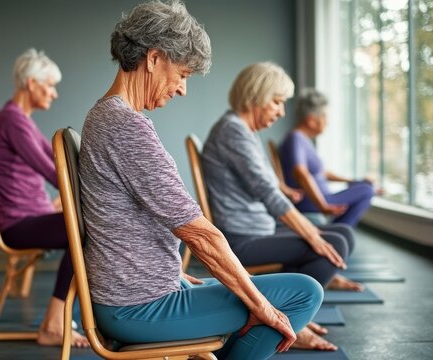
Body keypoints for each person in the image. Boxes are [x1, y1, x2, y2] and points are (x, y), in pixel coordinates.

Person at [78, 2, 322, 359]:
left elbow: (127, 223)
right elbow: (199, 234)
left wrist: (175, 274)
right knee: (304, 292)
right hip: (139, 308)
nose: (182, 89)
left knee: (262, 294)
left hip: (140, 293)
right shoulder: (125, 127)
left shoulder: (108, 116)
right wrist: (261, 306)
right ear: (154, 58)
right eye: (183, 74)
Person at [201, 62, 363, 351]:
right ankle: (289, 322)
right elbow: (269, 194)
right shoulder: (233, 131)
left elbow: (268, 186)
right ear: (256, 97)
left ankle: (283, 308)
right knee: (331, 244)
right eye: (277, 102)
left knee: (341, 237)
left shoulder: (243, 131)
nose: (281, 112)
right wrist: (312, 234)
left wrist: (312, 228)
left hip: (257, 229)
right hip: (241, 239)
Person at [0, 48, 88, 348]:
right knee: (82, 230)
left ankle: (64, 318)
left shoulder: (20, 120)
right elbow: (51, 172)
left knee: (84, 225)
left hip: (31, 214)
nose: (55, 94)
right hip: (18, 224)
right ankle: (54, 325)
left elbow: (58, 160)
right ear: (31, 83)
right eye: (50, 85)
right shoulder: (12, 120)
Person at [280, 88, 382, 227]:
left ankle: (338, 230)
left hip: (321, 198)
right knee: (367, 191)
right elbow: (300, 173)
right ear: (311, 120)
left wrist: (354, 181)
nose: (327, 121)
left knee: (365, 185)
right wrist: (322, 205)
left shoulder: (301, 139)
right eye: (325, 116)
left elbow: (322, 173)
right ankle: (340, 230)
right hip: (314, 202)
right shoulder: (296, 138)